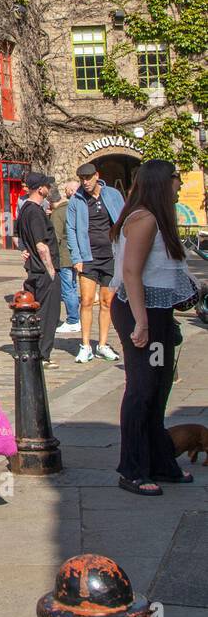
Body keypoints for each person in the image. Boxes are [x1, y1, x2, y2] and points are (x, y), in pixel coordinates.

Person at [108, 160, 199, 495]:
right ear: (162, 181)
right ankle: (132, 469)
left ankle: (160, 461)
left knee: (158, 387)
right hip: (141, 312)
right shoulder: (145, 219)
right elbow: (132, 273)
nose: (179, 183)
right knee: (142, 389)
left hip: (156, 312)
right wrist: (142, 322)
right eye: (176, 177)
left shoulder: (155, 218)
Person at [67, 163, 123, 363]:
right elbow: (71, 230)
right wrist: (77, 258)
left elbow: (123, 221)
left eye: (88, 178)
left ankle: (102, 344)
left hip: (111, 256)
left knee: (108, 303)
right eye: (82, 178)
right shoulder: (76, 200)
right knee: (87, 301)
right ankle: (85, 345)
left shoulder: (113, 195)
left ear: (97, 176)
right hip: (88, 257)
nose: (85, 182)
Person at [14, 171, 62, 371]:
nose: (49, 189)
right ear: (40, 188)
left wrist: (25, 251)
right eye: (47, 186)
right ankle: (42, 354)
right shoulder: (34, 211)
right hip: (43, 271)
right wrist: (51, 271)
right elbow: (42, 245)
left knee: (39, 312)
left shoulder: (25, 209)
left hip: (34, 269)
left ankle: (38, 351)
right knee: (47, 314)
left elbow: (18, 238)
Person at [51, 181, 82, 335]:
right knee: (73, 287)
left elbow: (55, 238)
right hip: (76, 256)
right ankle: (76, 318)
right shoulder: (78, 208)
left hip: (64, 256)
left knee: (68, 289)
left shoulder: (59, 212)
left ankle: (73, 320)